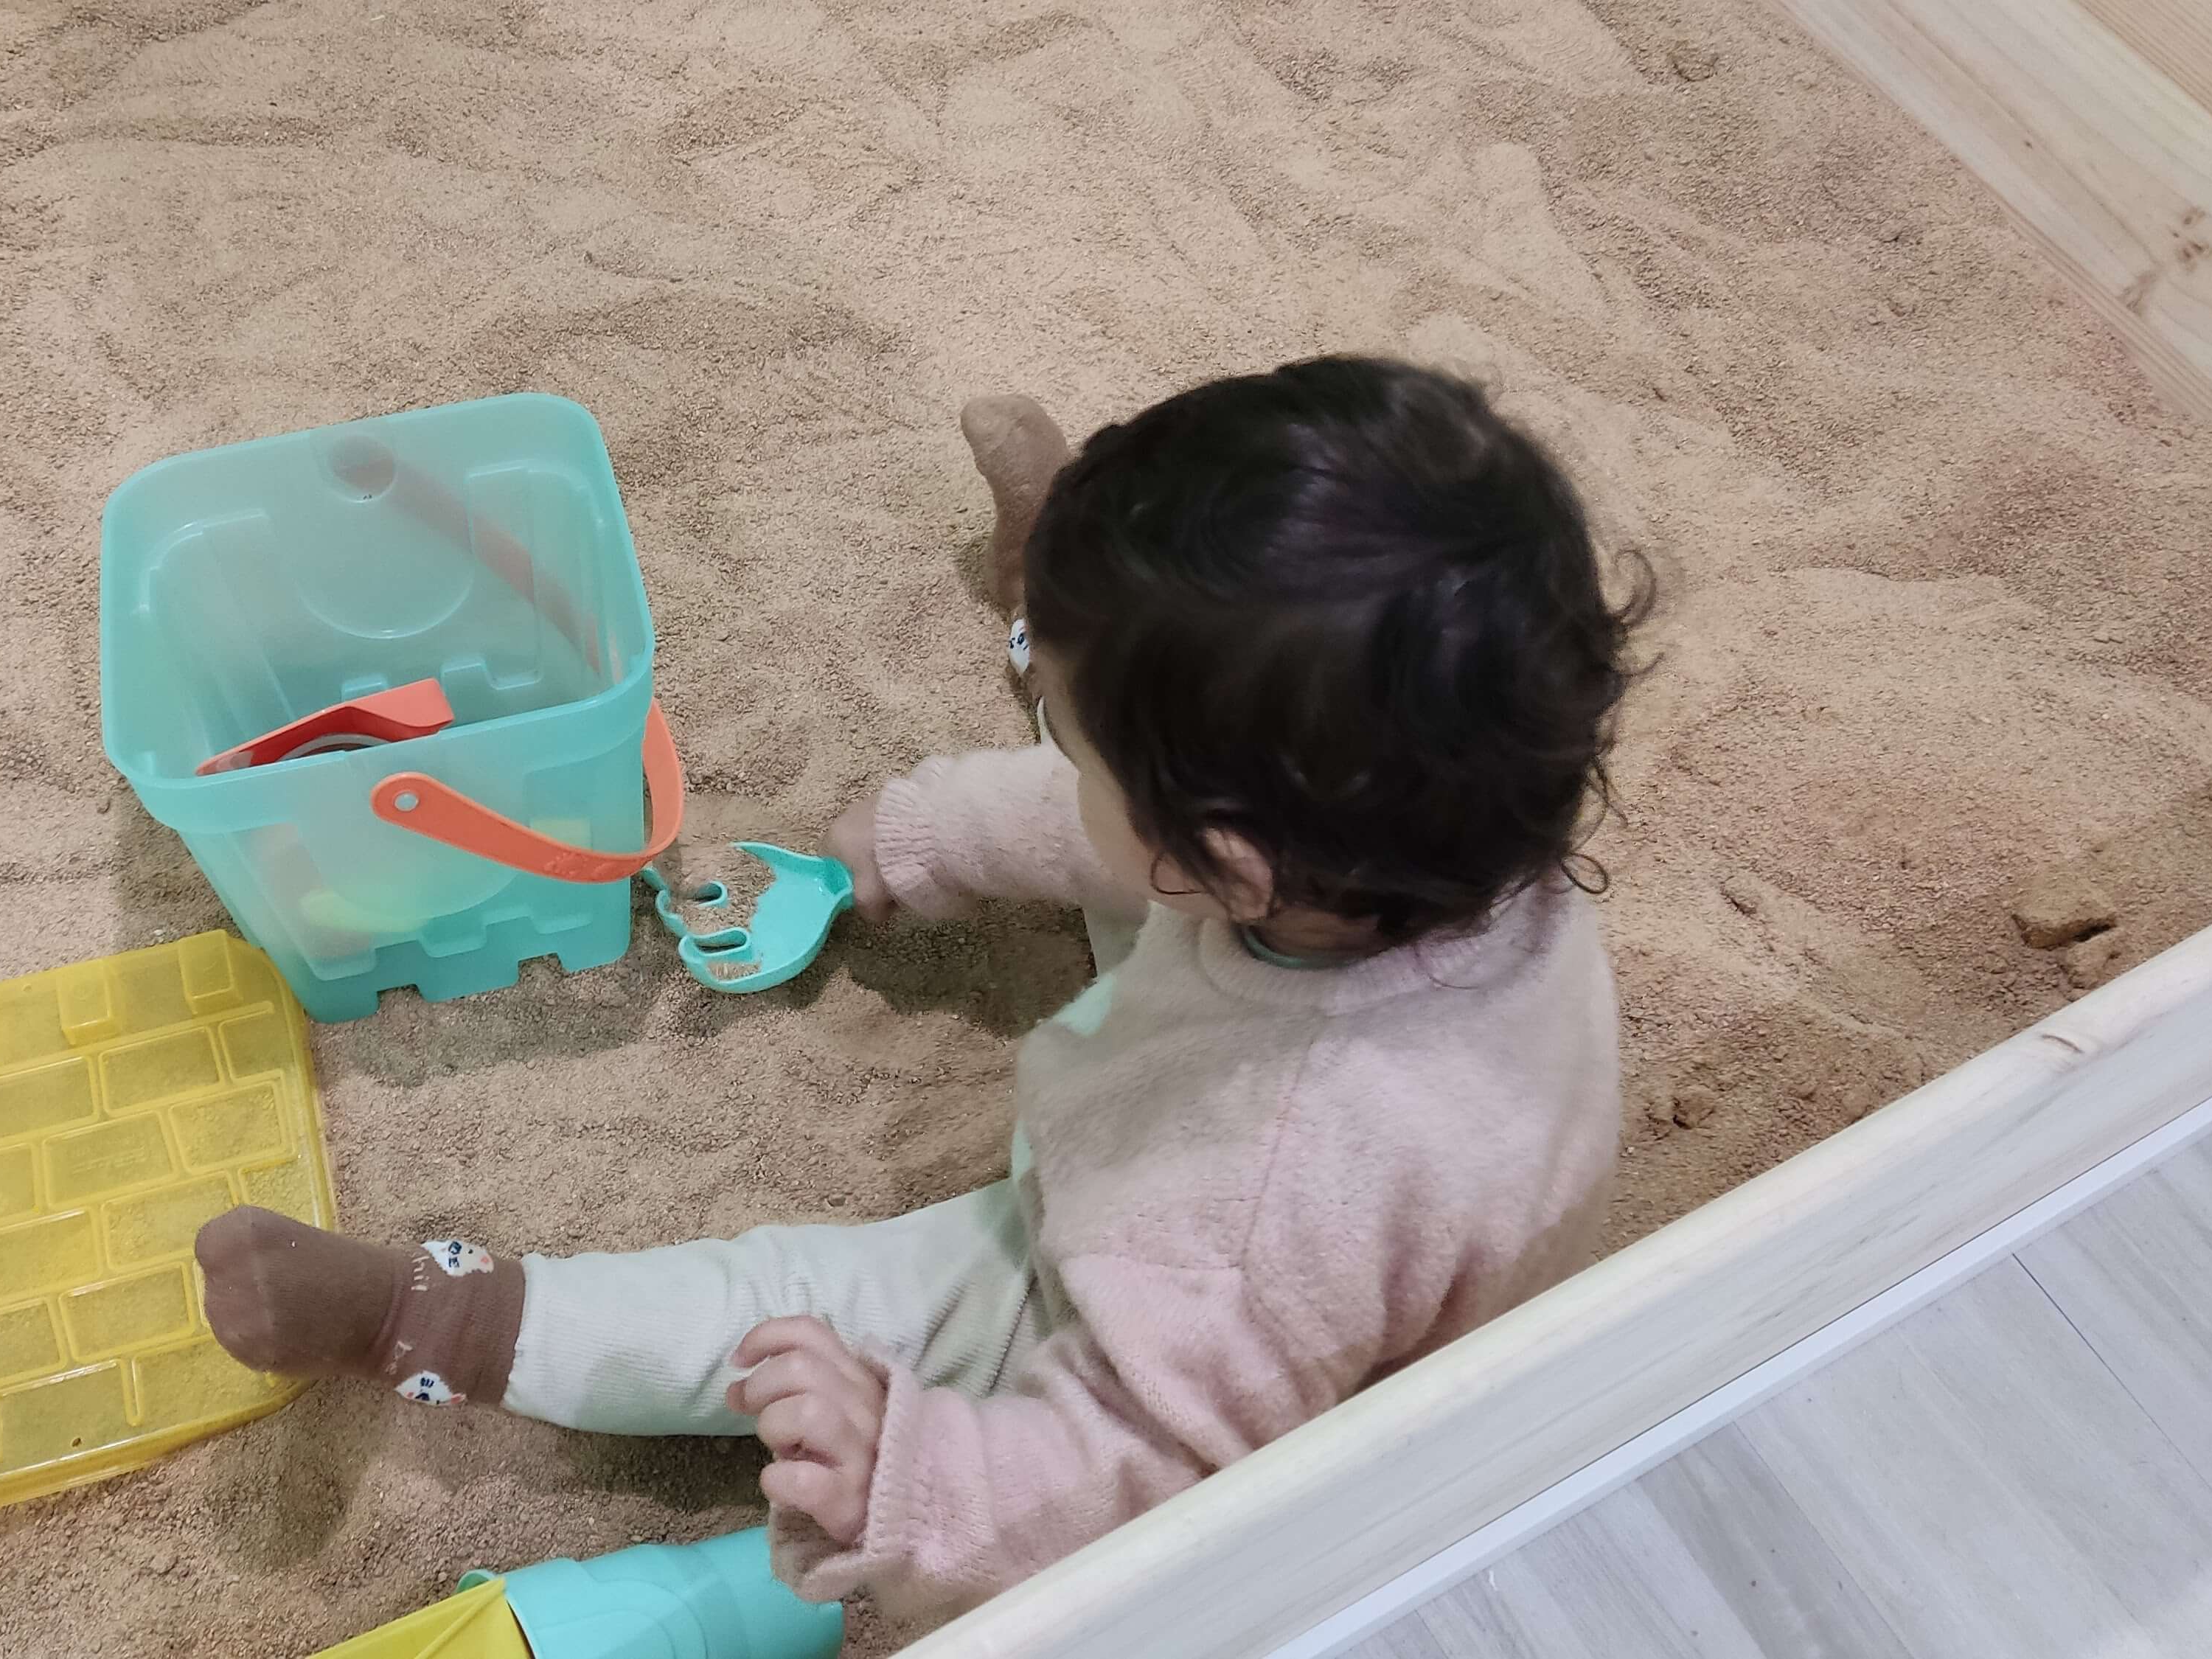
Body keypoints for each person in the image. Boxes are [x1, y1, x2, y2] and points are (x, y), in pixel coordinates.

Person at [192, 357, 1649, 1620]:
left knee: (793, 1311)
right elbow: (1102, 837)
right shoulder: (1419, 837)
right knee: (1150, 758)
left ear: (1221, 864)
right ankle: (1064, 618)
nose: (1068, 790)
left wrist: (908, 1471)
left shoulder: (1253, 1211)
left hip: (1137, 1286)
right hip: (1250, 984)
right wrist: (905, 846)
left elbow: (1145, 1482)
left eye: (1074, 753)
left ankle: (425, 1319)